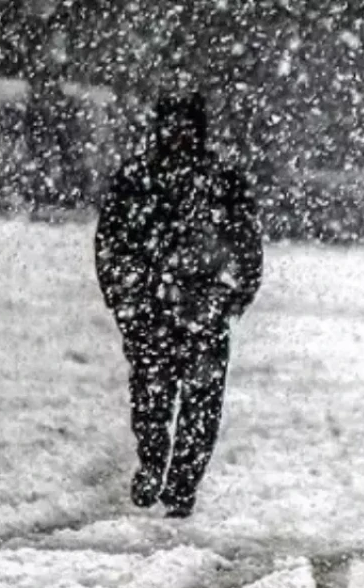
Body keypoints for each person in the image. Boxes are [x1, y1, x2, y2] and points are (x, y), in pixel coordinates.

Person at [95, 90, 262, 518]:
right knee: (157, 400)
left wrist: (228, 297)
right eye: (174, 127)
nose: (180, 136)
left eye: (186, 128)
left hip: (193, 311)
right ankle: (156, 466)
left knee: (193, 405)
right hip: (158, 311)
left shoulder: (216, 181)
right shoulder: (141, 180)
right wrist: (125, 297)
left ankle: (179, 483)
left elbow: (246, 247)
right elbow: (111, 244)